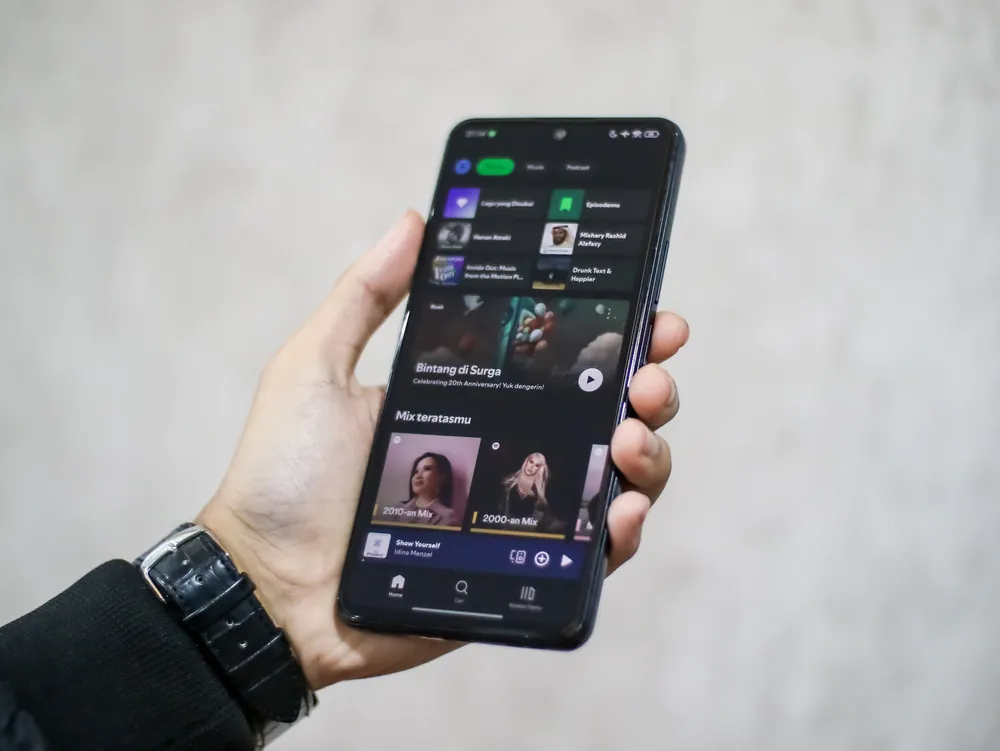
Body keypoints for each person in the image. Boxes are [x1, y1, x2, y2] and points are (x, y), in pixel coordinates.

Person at [0, 211, 688, 750]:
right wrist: (259, 580)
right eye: (420, 465)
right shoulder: (424, 502)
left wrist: (253, 586)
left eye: (431, 466)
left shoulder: (515, 497)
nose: (425, 470)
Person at [376, 451, 457, 526]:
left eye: (427, 469)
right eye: (416, 472)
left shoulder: (448, 516)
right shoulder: (397, 508)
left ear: (442, 477)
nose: (418, 476)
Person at [499, 452, 550, 522]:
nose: (532, 467)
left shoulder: (541, 489)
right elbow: (501, 508)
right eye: (531, 462)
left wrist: (540, 494)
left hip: (529, 528)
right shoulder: (510, 481)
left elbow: (540, 517)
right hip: (507, 525)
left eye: (537, 465)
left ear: (540, 469)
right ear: (526, 461)